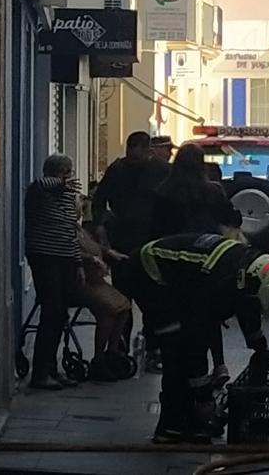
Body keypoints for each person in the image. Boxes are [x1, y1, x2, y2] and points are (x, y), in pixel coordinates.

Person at [121, 233, 269, 443]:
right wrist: (204, 397)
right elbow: (196, 341)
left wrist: (260, 348)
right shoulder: (219, 281)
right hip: (149, 274)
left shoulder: (248, 273)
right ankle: (170, 426)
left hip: (179, 278)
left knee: (185, 347)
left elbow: (248, 308)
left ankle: (189, 416)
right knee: (175, 350)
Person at [151, 144, 244, 385]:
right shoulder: (212, 191)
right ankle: (218, 364)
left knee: (180, 313)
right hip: (208, 258)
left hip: (175, 261)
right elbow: (233, 219)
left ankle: (182, 368)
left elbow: (155, 230)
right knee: (208, 312)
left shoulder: (163, 192)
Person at [91, 131, 171, 370]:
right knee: (122, 299)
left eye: (137, 157)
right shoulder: (117, 170)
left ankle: (153, 348)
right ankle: (119, 348)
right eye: (129, 156)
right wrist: (99, 225)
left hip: (151, 245)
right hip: (122, 244)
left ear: (148, 151)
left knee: (152, 301)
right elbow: (99, 200)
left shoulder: (162, 171)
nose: (132, 161)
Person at [24, 154, 85, 390]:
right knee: (51, 310)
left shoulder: (67, 197)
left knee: (60, 314)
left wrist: (78, 263)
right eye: (65, 172)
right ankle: (40, 372)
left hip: (65, 258)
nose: (69, 176)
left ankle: (51, 367)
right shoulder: (39, 191)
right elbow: (41, 183)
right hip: (44, 255)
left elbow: (71, 231)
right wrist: (60, 182)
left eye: (69, 171)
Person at [73, 226, 133, 382]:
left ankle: (112, 351)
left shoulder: (80, 229)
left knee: (124, 306)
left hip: (97, 281)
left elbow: (94, 246)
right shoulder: (66, 231)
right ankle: (98, 360)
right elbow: (71, 252)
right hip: (81, 282)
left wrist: (108, 252)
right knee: (108, 310)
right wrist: (92, 259)